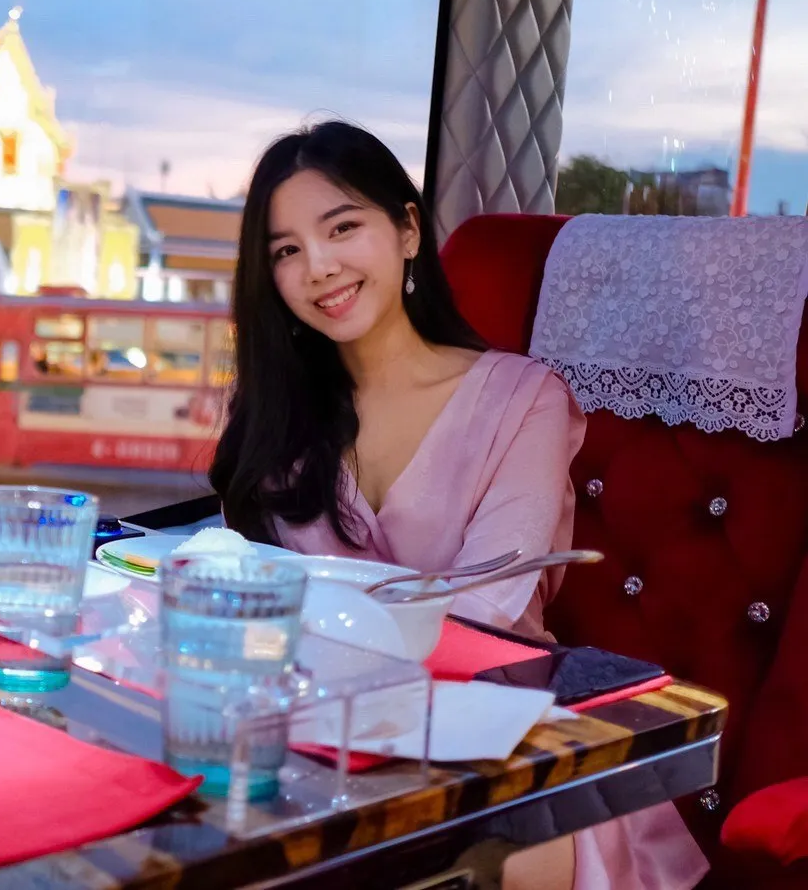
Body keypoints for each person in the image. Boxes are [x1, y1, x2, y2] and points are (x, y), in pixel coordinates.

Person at [208, 121, 708, 890]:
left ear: (408, 230)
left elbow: (488, 612)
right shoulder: (279, 418)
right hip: (320, 733)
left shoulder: (523, 399)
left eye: (343, 228)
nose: (320, 266)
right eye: (286, 250)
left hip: (503, 738)